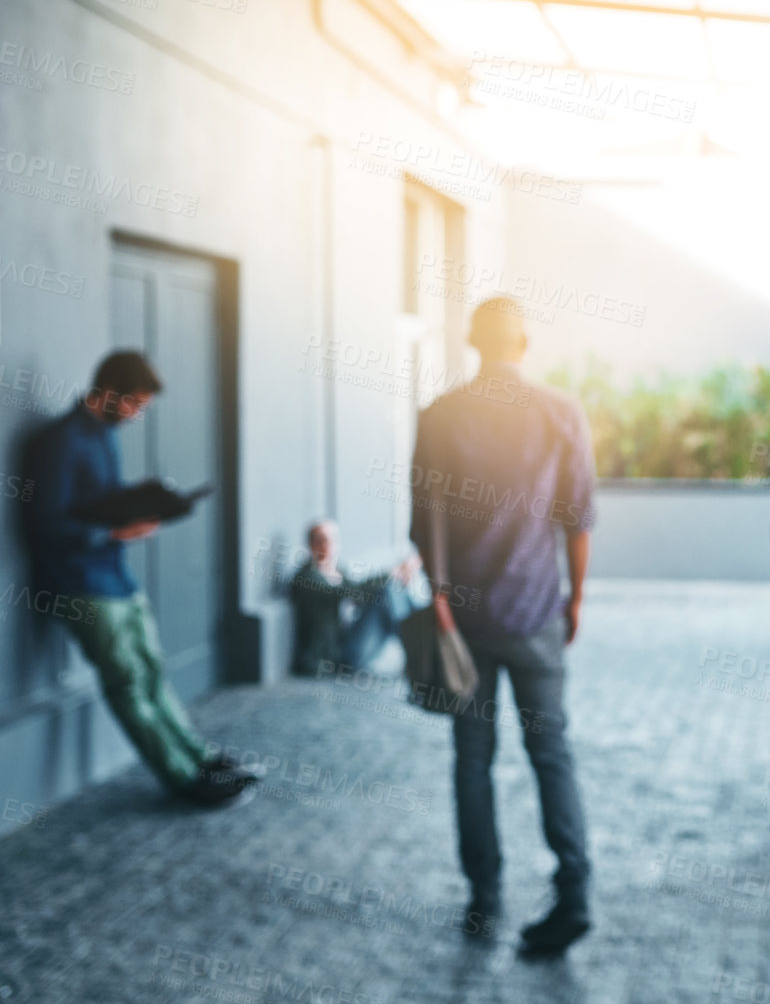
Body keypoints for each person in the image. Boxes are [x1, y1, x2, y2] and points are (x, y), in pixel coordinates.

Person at [410, 297, 598, 956]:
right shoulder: (559, 410)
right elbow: (578, 517)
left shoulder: (440, 413)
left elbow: (422, 513)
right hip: (537, 611)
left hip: (460, 617)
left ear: (472, 340)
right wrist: (574, 598)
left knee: (472, 758)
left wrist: (437, 594)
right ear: (522, 341)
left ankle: (484, 897)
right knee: (551, 754)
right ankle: (573, 892)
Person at [22, 351, 255, 806]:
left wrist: (143, 503)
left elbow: (98, 501)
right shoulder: (61, 442)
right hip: (80, 584)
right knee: (127, 683)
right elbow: (44, 524)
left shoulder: (104, 436)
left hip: (116, 577)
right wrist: (114, 531)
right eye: (134, 404)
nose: (136, 414)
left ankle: (201, 757)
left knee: (151, 672)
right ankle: (184, 779)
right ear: (107, 392)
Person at [286, 520, 420, 677]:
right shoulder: (307, 578)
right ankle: (418, 647)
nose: (327, 545)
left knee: (391, 593)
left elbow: (361, 592)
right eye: (321, 540)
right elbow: (350, 591)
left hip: (353, 639)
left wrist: (397, 575)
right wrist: (391, 574)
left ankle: (419, 637)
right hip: (337, 656)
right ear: (311, 545)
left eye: (332, 539)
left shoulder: (338, 570)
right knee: (385, 593)